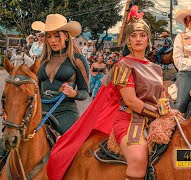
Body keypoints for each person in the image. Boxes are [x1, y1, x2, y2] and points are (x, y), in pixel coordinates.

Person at [47, 6, 175, 180]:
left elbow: (160, 96)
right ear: (128, 40)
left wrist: (165, 106)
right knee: (137, 160)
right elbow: (131, 101)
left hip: (154, 119)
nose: (138, 39)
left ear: (148, 39)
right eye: (133, 35)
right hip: (130, 121)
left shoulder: (157, 68)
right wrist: (158, 113)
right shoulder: (124, 65)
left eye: (142, 35)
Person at [32, 14, 90, 135]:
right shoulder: (41, 60)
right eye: (49, 36)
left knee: (74, 145)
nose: (52, 40)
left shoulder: (78, 59)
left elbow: (84, 91)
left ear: (67, 36)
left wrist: (74, 93)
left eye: (57, 36)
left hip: (65, 111)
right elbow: (34, 88)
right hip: (40, 109)